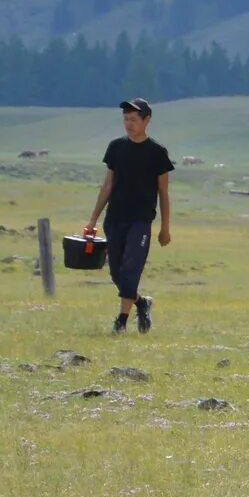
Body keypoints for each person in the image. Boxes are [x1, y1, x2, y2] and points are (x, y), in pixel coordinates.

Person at [84, 97, 172, 335]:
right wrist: (93, 220)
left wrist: (165, 228)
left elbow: (163, 191)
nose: (129, 124)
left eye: (134, 119)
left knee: (132, 266)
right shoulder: (116, 147)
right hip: (115, 218)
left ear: (147, 120)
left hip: (141, 220)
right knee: (117, 273)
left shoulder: (157, 153)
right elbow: (107, 185)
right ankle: (141, 302)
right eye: (126, 119)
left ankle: (121, 321)